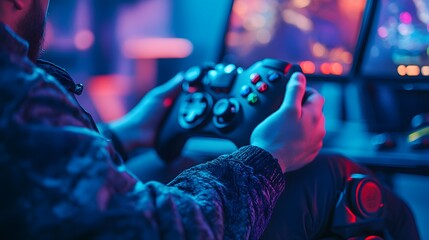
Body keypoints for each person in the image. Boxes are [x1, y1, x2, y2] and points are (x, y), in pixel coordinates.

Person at [0, 0, 419, 239]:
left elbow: (40, 176)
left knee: (162, 163)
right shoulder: (14, 88)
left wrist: (124, 134)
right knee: (330, 173)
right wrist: (269, 156)